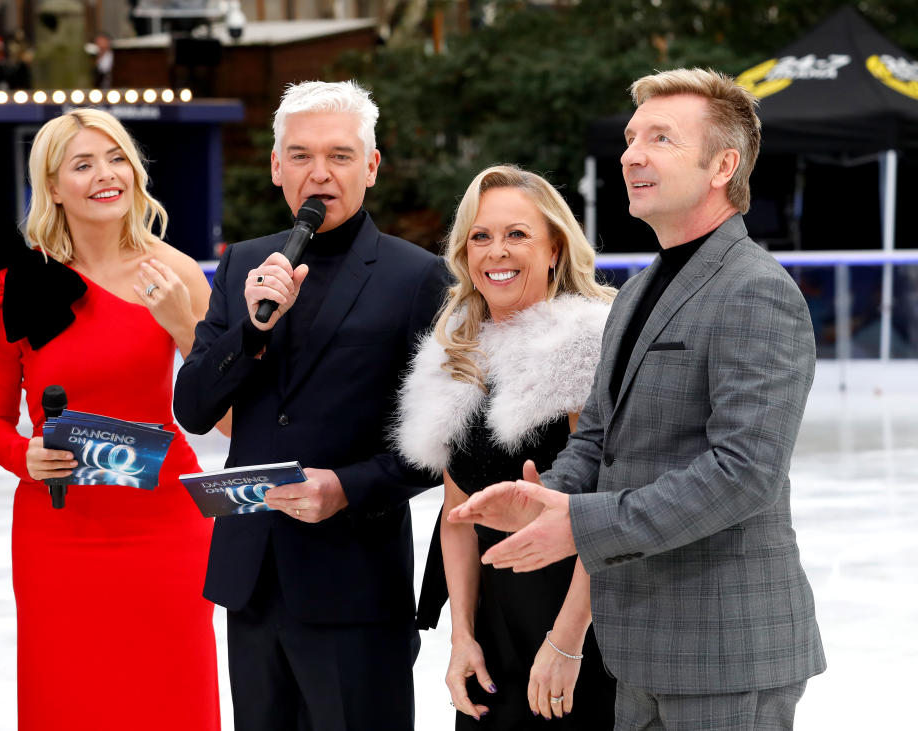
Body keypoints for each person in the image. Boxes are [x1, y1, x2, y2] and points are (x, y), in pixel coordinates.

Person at [449, 68, 826, 730]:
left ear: (723, 165)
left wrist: (581, 523)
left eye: (660, 138)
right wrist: (552, 496)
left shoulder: (755, 291)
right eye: (629, 138)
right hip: (639, 653)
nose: (631, 154)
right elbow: (598, 437)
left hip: (725, 653)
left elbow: (744, 474)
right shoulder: (638, 291)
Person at [173, 80, 448, 731]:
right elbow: (192, 404)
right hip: (254, 580)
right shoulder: (242, 264)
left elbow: (442, 442)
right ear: (276, 166)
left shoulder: (416, 277)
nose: (318, 172)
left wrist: (347, 488)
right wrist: (252, 331)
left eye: (340, 155)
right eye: (299, 155)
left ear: (372, 166)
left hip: (354, 583)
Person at [0, 108, 220, 729]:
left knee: (172, 695)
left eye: (116, 159)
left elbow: (228, 414)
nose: (107, 175)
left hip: (167, 526)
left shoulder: (176, 273)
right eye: (83, 164)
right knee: (70, 696)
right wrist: (22, 456)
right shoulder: (6, 290)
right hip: (61, 531)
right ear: (52, 186)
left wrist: (185, 326)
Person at [395, 165, 618, 728]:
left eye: (517, 234)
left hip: (583, 623)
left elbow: (609, 515)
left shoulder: (587, 345)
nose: (497, 252)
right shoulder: (454, 354)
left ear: (554, 249)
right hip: (495, 630)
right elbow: (456, 517)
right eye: (481, 236)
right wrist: (462, 637)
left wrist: (566, 641)